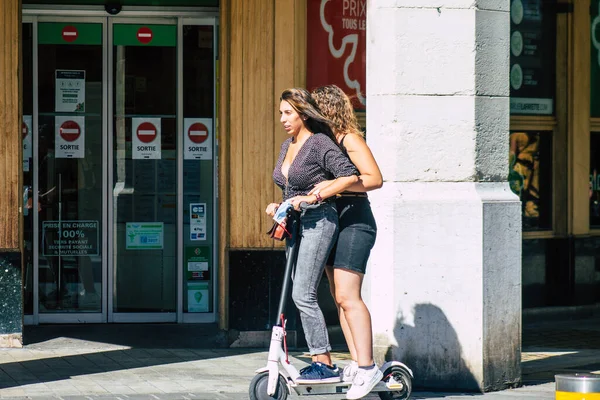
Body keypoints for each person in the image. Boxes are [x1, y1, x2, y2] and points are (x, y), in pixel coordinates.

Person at [265, 88, 359, 383]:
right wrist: (281, 205)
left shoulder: (319, 143)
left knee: (302, 293)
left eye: (288, 112)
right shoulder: (287, 145)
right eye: (281, 112)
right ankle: (321, 360)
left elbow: (349, 175)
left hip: (319, 220)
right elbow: (290, 187)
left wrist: (314, 196)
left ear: (304, 113)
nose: (282, 118)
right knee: (298, 291)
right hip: (295, 224)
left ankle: (324, 362)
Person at [310, 85, 383, 399]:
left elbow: (374, 178)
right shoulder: (321, 143)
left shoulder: (349, 138)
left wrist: (336, 185)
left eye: (312, 109)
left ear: (326, 109)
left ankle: (368, 368)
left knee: (348, 295)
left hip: (355, 221)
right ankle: (356, 361)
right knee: (338, 297)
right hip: (330, 223)